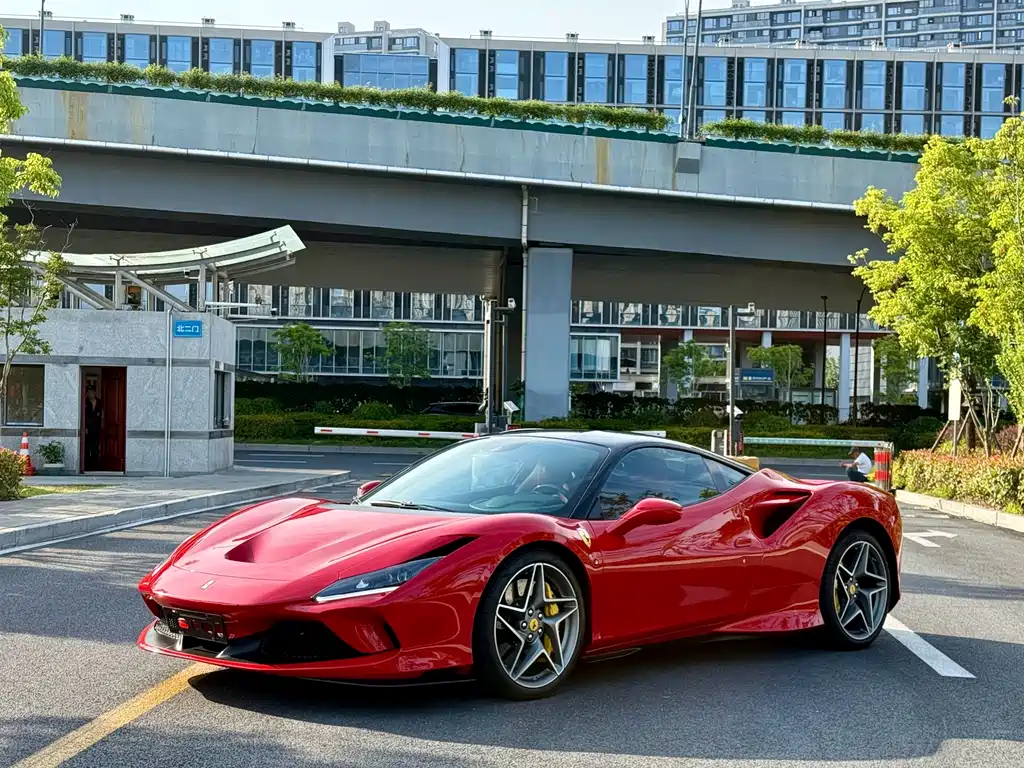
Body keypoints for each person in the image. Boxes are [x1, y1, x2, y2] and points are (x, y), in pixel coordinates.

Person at [84, 389, 103, 470]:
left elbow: (102, 413)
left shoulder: (100, 402)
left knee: (96, 444)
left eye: (92, 392)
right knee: (88, 445)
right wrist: (84, 427)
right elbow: (83, 415)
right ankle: (87, 464)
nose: (90, 394)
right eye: (89, 393)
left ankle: (96, 463)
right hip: (88, 427)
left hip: (97, 426)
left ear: (95, 393)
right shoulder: (85, 402)